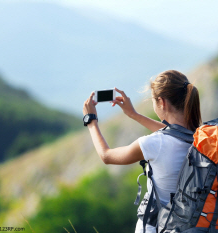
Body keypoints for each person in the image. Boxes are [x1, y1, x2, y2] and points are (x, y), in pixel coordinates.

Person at [82, 70, 202, 232]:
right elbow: (173, 132)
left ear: (162, 102)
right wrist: (134, 114)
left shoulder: (154, 144)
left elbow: (106, 156)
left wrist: (91, 121)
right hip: (189, 226)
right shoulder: (200, 138)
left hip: (156, 226)